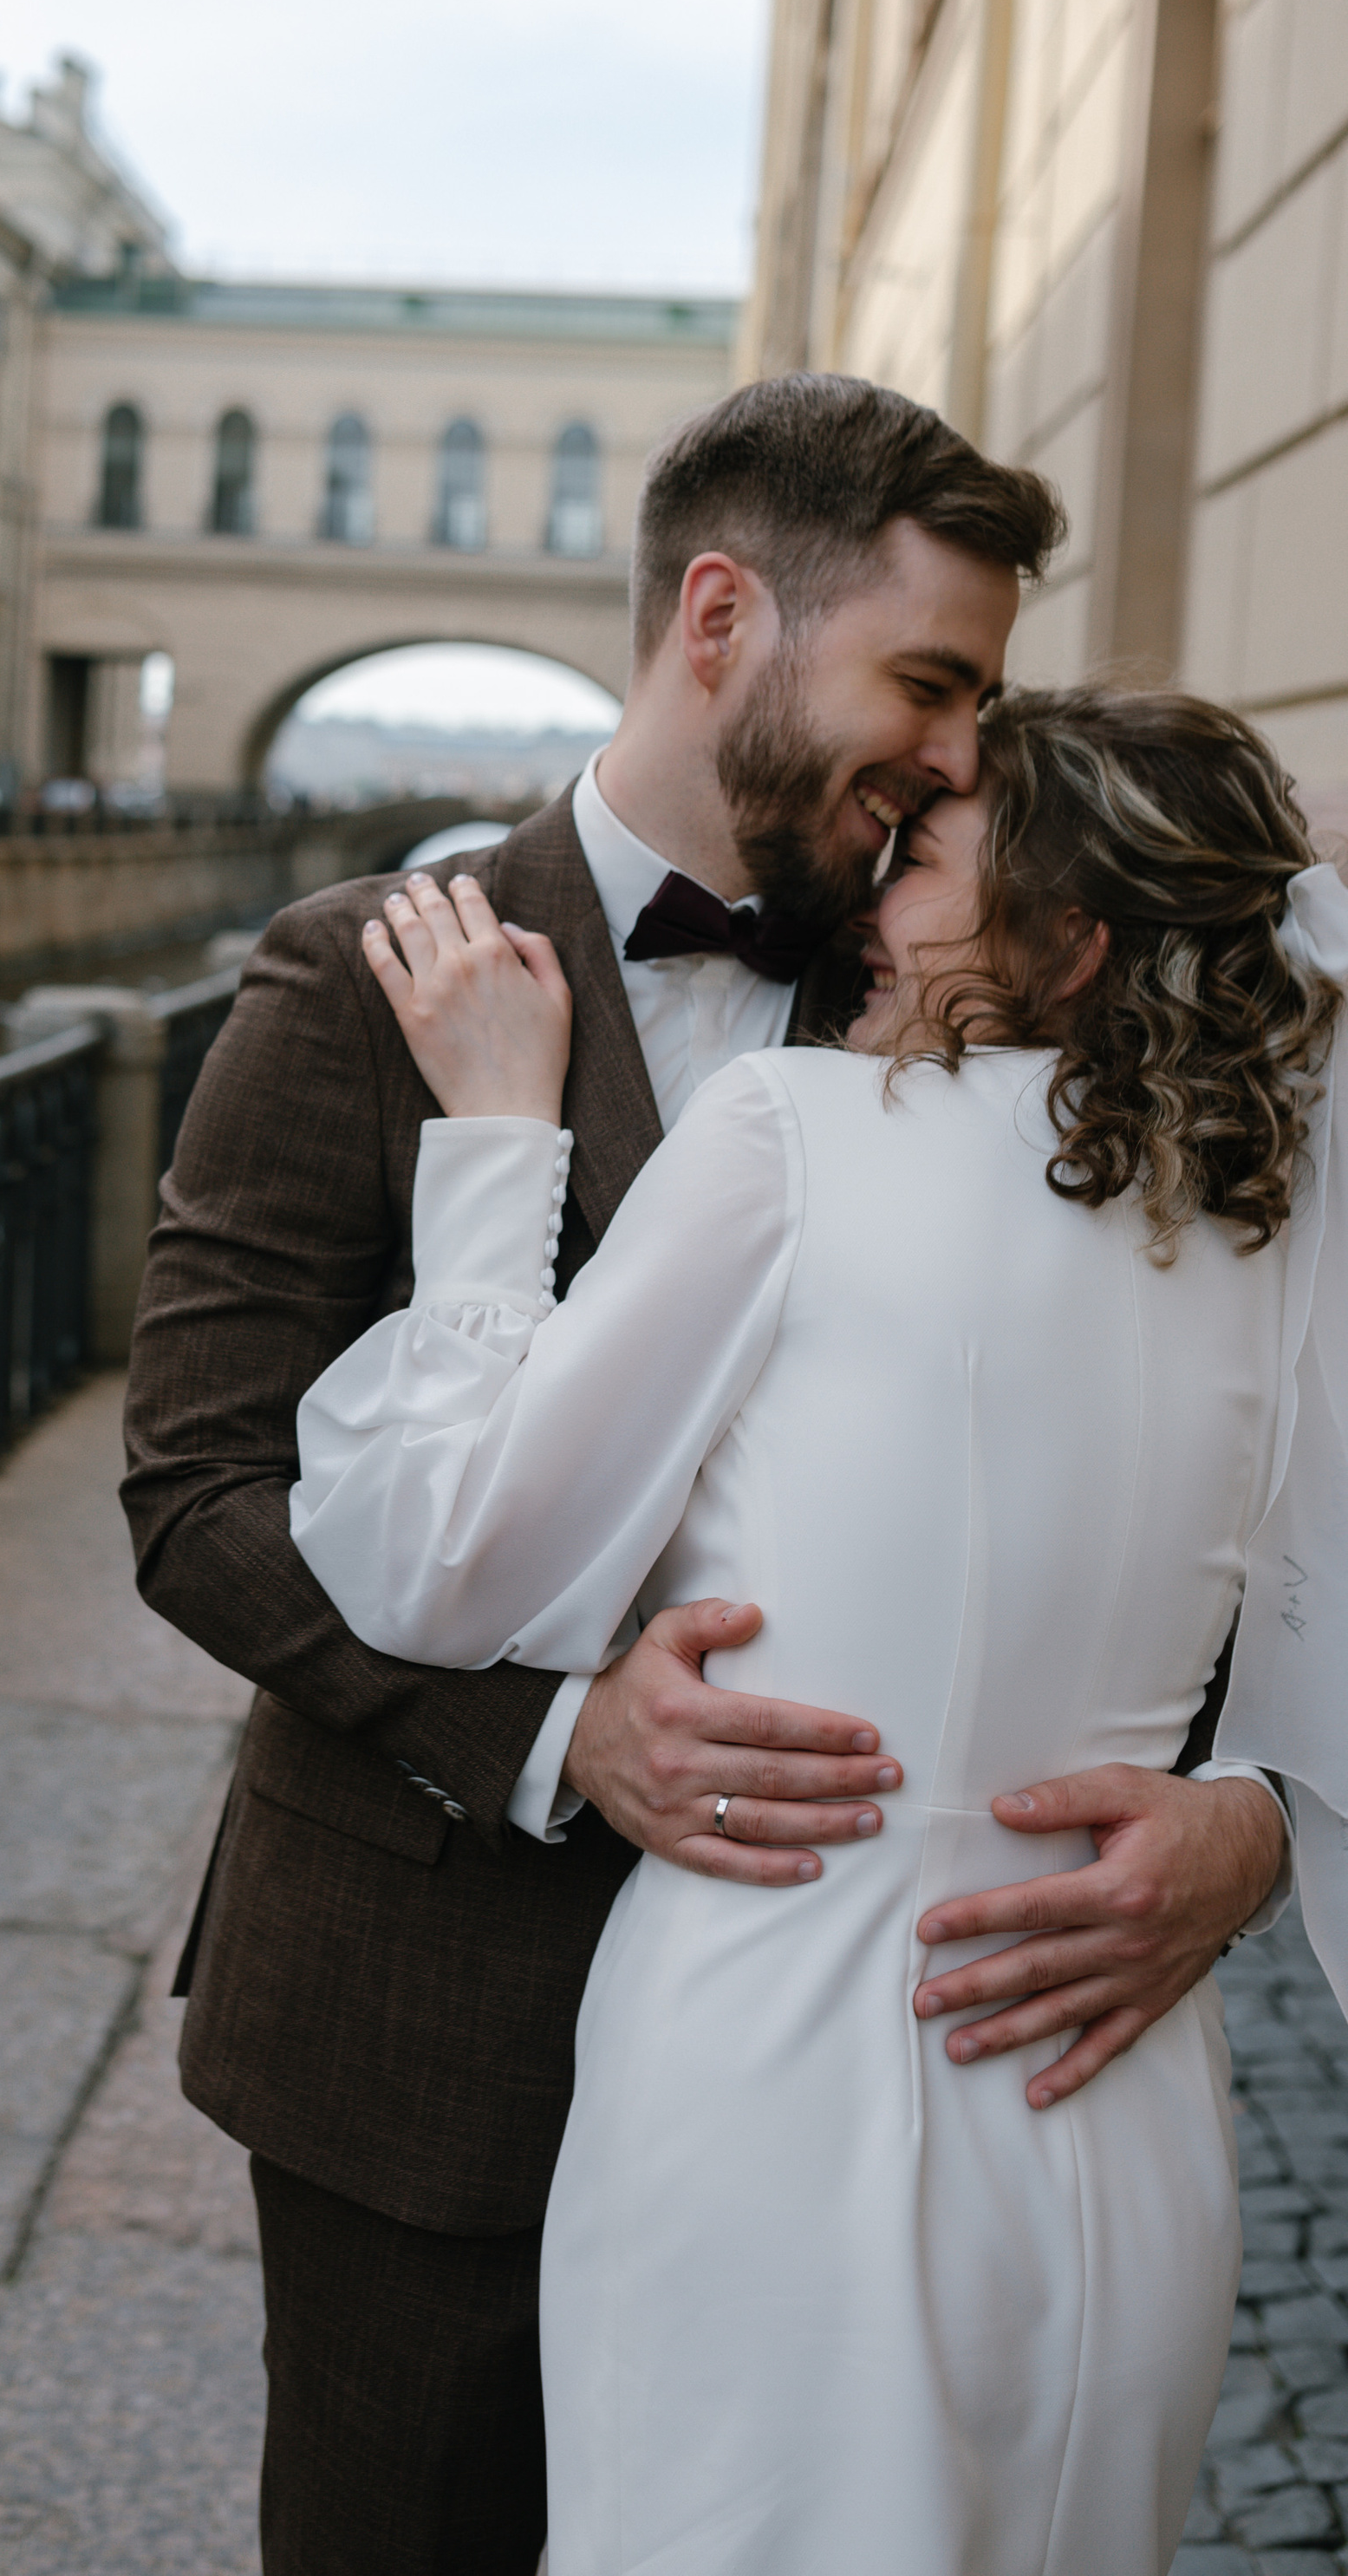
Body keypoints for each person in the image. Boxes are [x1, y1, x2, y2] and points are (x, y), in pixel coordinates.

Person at [120, 376, 1291, 2576]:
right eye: (926, 683)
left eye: (980, 703)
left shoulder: (970, 977)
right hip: (428, 2035)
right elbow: (192, 1492)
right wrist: (559, 1736)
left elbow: (1172, 1467)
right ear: (724, 616)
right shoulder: (370, 970)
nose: (952, 752)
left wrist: (1246, 1812)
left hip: (907, 2058)